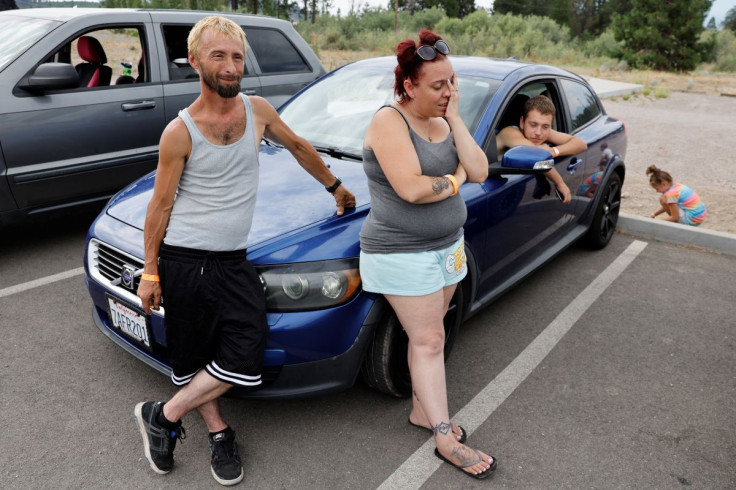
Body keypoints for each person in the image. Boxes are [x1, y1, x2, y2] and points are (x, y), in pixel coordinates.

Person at [133, 16, 355, 486]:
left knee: (244, 352)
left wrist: (335, 187)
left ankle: (163, 415)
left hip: (233, 259)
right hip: (185, 260)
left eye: (236, 56)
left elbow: (297, 146)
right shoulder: (180, 132)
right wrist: (151, 271)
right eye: (219, 56)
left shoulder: (258, 110)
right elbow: (160, 206)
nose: (231, 66)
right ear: (194, 62)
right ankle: (219, 434)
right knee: (193, 357)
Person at [359, 30, 496, 480]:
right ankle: (443, 435)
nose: (449, 92)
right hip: (402, 252)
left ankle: (422, 410)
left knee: (430, 334)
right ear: (409, 86)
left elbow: (479, 169)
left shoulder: (443, 120)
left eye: (452, 82)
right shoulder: (388, 122)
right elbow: (413, 189)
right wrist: (454, 181)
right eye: (438, 85)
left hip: (447, 247)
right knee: (429, 341)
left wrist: (455, 118)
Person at [495, 95, 588, 204]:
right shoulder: (509, 132)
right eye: (533, 124)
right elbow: (537, 155)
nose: (538, 132)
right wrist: (560, 183)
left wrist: (553, 151)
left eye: (545, 127)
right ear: (522, 122)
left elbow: (581, 144)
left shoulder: (538, 132)